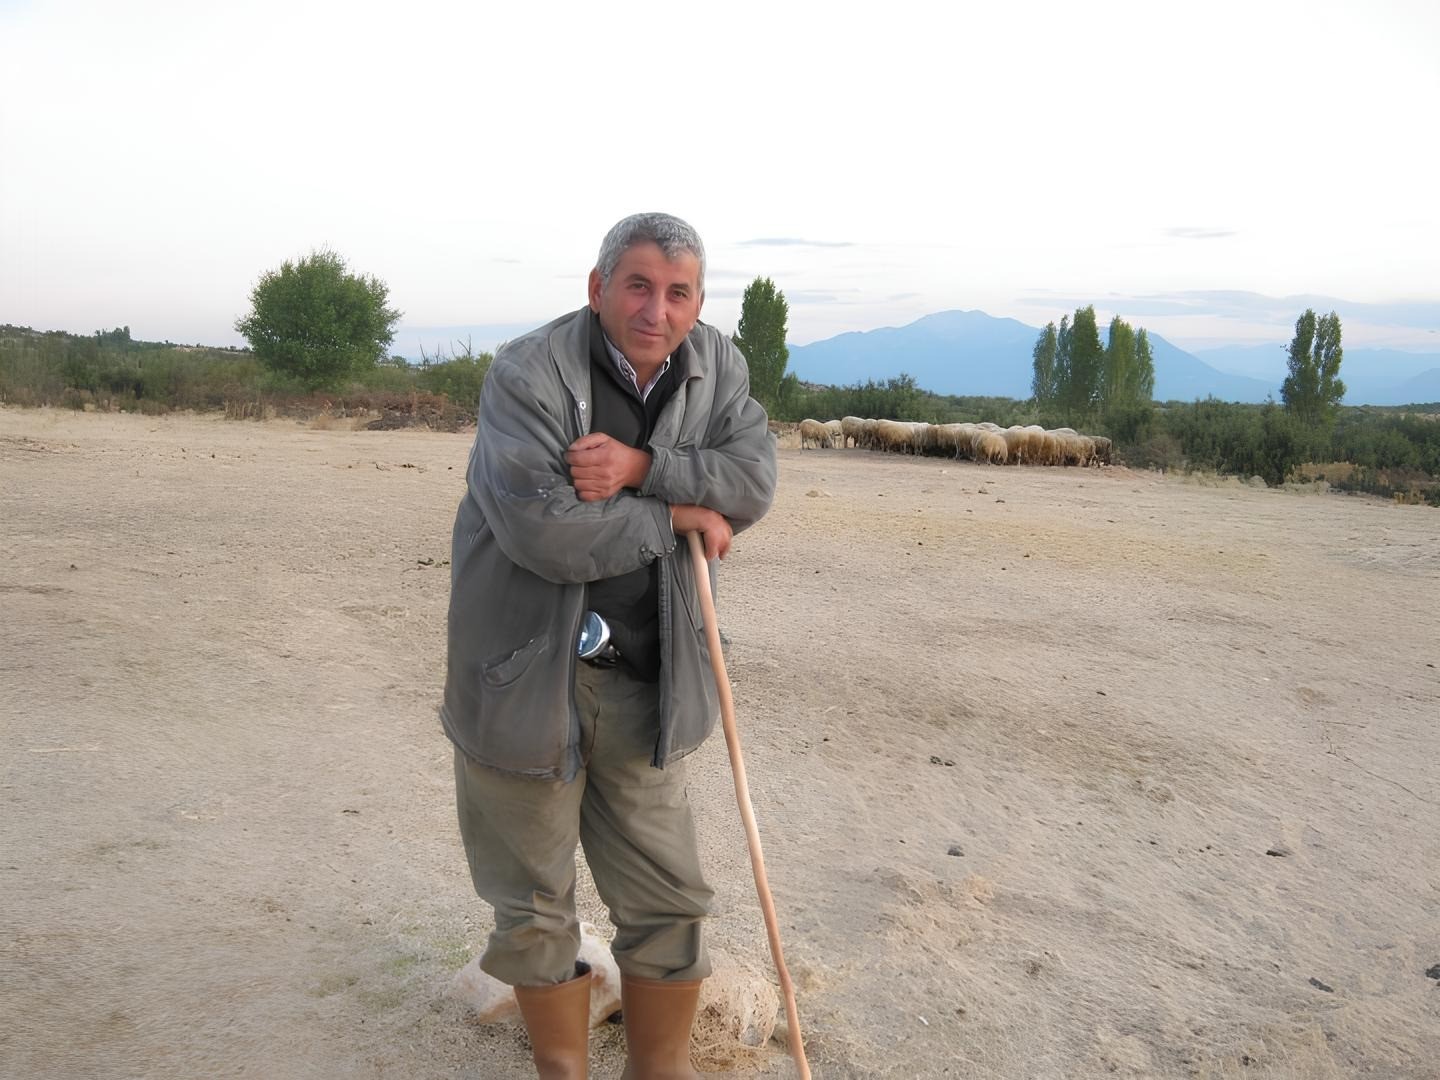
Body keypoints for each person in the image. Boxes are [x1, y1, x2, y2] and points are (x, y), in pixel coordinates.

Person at [442, 212, 777, 1079]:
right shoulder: (528, 372)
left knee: (669, 900)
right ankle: (563, 1072)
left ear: (698, 304)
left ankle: (656, 1073)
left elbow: (754, 481)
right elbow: (542, 530)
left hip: (649, 678)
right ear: (597, 289)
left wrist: (639, 470)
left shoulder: (719, 369)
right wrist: (675, 516)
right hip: (523, 676)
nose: (656, 309)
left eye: (678, 293)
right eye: (637, 285)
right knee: (535, 906)